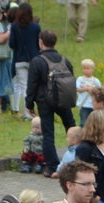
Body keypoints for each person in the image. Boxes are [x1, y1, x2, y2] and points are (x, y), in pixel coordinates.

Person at [25, 31, 75, 177]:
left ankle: (52, 166)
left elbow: (32, 84)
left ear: (41, 42)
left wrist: (29, 103)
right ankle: (78, 159)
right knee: (71, 127)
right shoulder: (65, 60)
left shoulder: (37, 61)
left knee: (48, 133)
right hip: (64, 99)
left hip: (44, 101)